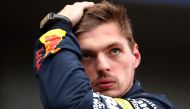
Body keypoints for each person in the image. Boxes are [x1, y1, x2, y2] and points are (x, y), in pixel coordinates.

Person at [34, 1, 176, 109]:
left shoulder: (158, 106)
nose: (102, 66)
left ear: (135, 56)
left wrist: (57, 26)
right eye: (87, 55)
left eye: (114, 51)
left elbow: (70, 103)